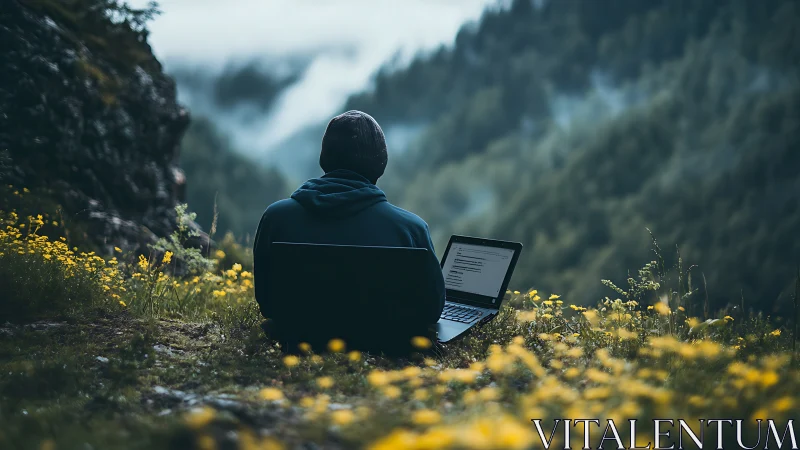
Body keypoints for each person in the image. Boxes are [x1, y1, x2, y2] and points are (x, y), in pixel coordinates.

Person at [252, 110, 445, 350]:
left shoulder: (276, 218)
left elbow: (267, 302)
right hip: (387, 344)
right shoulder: (411, 229)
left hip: (298, 340)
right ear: (381, 163)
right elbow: (431, 310)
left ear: (324, 158)